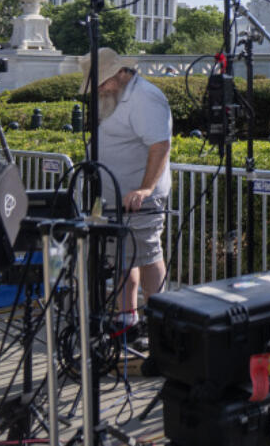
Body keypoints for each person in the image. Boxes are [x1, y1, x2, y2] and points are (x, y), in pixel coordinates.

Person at [79, 47, 172, 343]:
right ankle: (126, 320)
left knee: (146, 254)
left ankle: (161, 324)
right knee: (122, 259)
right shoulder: (116, 96)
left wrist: (145, 188)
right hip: (112, 197)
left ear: (121, 73)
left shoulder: (144, 97)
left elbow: (160, 145)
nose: (101, 89)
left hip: (139, 198)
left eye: (103, 82)